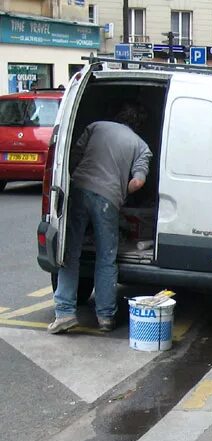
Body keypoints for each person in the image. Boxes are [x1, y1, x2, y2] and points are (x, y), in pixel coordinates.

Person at [48, 104, 152, 334]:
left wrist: (73, 180)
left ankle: (65, 313)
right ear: (139, 126)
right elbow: (138, 182)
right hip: (109, 199)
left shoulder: (96, 126)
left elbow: (73, 156)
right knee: (107, 257)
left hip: (81, 188)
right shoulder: (141, 146)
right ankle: (105, 317)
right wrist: (120, 192)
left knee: (70, 253)